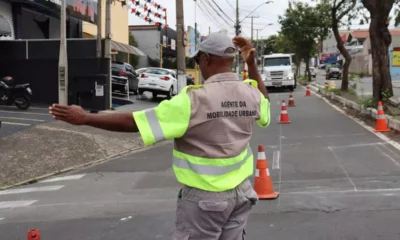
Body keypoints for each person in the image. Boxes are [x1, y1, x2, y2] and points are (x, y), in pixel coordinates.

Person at [49, 32, 271, 240]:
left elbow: (135, 122)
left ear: (205, 58)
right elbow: (266, 106)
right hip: (241, 194)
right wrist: (251, 65)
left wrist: (85, 118)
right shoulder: (251, 94)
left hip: (206, 199)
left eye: (197, 61)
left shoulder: (193, 100)